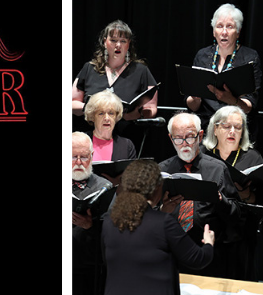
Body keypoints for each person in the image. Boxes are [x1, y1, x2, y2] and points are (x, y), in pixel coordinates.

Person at [103, 160, 215, 295]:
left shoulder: (109, 221)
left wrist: (161, 213)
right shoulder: (164, 223)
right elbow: (198, 259)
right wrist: (209, 242)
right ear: (157, 189)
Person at [158, 112, 246, 280]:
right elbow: (148, 213)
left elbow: (238, 214)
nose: (184, 144)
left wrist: (221, 199)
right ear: (170, 139)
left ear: (200, 135)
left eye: (190, 137)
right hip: (170, 253)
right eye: (178, 138)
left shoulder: (217, 169)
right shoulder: (162, 170)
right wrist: (163, 209)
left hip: (207, 253)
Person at [201, 105, 263, 281]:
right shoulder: (203, 155)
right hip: (207, 231)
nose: (232, 131)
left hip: (240, 235)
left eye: (238, 127)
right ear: (215, 129)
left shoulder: (252, 158)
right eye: (226, 126)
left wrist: (245, 193)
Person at [74, 20, 159, 134]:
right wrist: (92, 109)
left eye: (123, 41)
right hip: (91, 134)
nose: (118, 45)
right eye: (113, 40)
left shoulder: (141, 71)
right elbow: (72, 103)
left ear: (128, 44)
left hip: (127, 135)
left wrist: (139, 114)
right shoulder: (89, 68)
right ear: (105, 42)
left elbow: (151, 108)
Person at [186, 4, 260, 116]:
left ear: (238, 32)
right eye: (219, 26)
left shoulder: (250, 57)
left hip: (235, 122)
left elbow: (248, 107)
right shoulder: (202, 55)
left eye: (230, 27)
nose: (224, 32)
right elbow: (193, 106)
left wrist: (230, 99)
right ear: (214, 32)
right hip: (206, 123)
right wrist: (195, 99)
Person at [74, 132, 112, 295]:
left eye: (84, 157)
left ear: (92, 155)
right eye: (73, 156)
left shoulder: (105, 187)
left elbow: (113, 230)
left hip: (91, 266)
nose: (78, 162)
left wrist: (91, 225)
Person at [85, 91, 136, 161]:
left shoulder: (126, 145)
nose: (107, 118)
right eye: (101, 113)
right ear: (93, 117)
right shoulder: (79, 141)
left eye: (111, 113)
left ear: (116, 116)